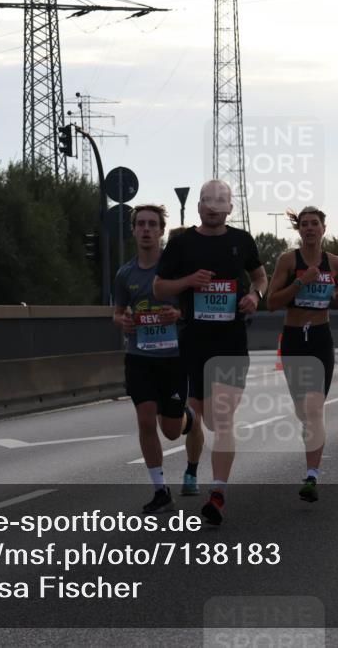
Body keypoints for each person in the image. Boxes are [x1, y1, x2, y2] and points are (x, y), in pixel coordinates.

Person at [154, 180, 267, 526]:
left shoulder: (242, 241)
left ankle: (217, 495)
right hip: (194, 343)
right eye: (207, 201)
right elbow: (159, 287)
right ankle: (184, 417)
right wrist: (188, 282)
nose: (214, 206)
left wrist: (255, 296)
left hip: (231, 343)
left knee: (224, 420)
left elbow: (260, 277)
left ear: (231, 208)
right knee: (204, 419)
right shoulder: (182, 243)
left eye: (221, 201)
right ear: (200, 207)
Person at [112, 205, 202, 513]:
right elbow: (118, 312)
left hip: (173, 357)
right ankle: (160, 489)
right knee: (145, 417)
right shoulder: (125, 273)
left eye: (153, 224)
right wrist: (123, 321)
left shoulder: (176, 270)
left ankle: (189, 415)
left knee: (172, 430)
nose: (147, 229)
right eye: (141, 224)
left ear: (162, 231)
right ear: (134, 230)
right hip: (139, 357)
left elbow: (195, 309)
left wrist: (178, 314)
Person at [267, 206, 338, 503]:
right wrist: (302, 281)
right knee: (303, 411)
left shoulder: (336, 262)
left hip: (319, 338)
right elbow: (272, 302)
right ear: (299, 230)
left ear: (324, 229)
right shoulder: (289, 260)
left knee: (315, 408)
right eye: (304, 224)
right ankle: (310, 458)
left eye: (315, 223)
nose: (310, 228)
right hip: (293, 340)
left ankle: (312, 476)